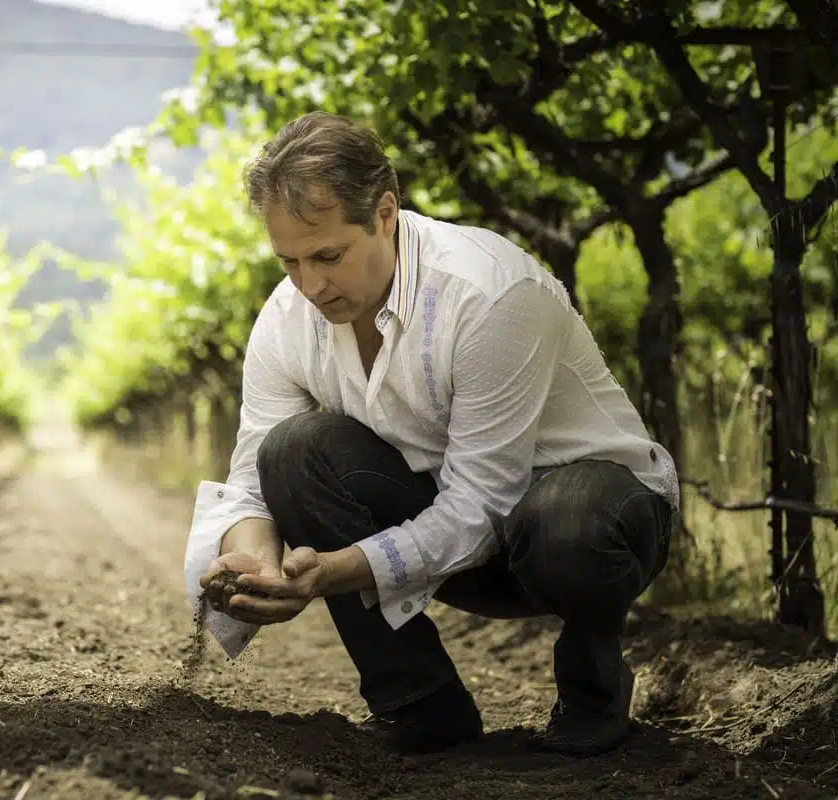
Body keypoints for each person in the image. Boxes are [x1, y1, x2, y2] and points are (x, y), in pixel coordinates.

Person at [182, 110, 678, 758]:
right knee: (292, 452)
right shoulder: (286, 317)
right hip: (460, 537)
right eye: (290, 261)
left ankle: (593, 689)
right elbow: (253, 477)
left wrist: (335, 570)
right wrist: (253, 562)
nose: (309, 285)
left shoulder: (488, 294)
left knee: (565, 521)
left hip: (594, 524)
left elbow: (484, 504)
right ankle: (420, 707)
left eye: (329, 256)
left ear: (385, 213)